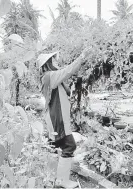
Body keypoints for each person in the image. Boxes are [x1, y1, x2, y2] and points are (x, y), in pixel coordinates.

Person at [37, 48, 90, 188]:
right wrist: (81, 57)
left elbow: (66, 89)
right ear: (48, 63)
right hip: (57, 119)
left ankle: (54, 179)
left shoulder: (51, 77)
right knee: (69, 146)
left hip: (57, 118)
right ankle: (61, 182)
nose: (56, 61)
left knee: (56, 146)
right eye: (53, 59)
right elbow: (67, 71)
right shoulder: (49, 76)